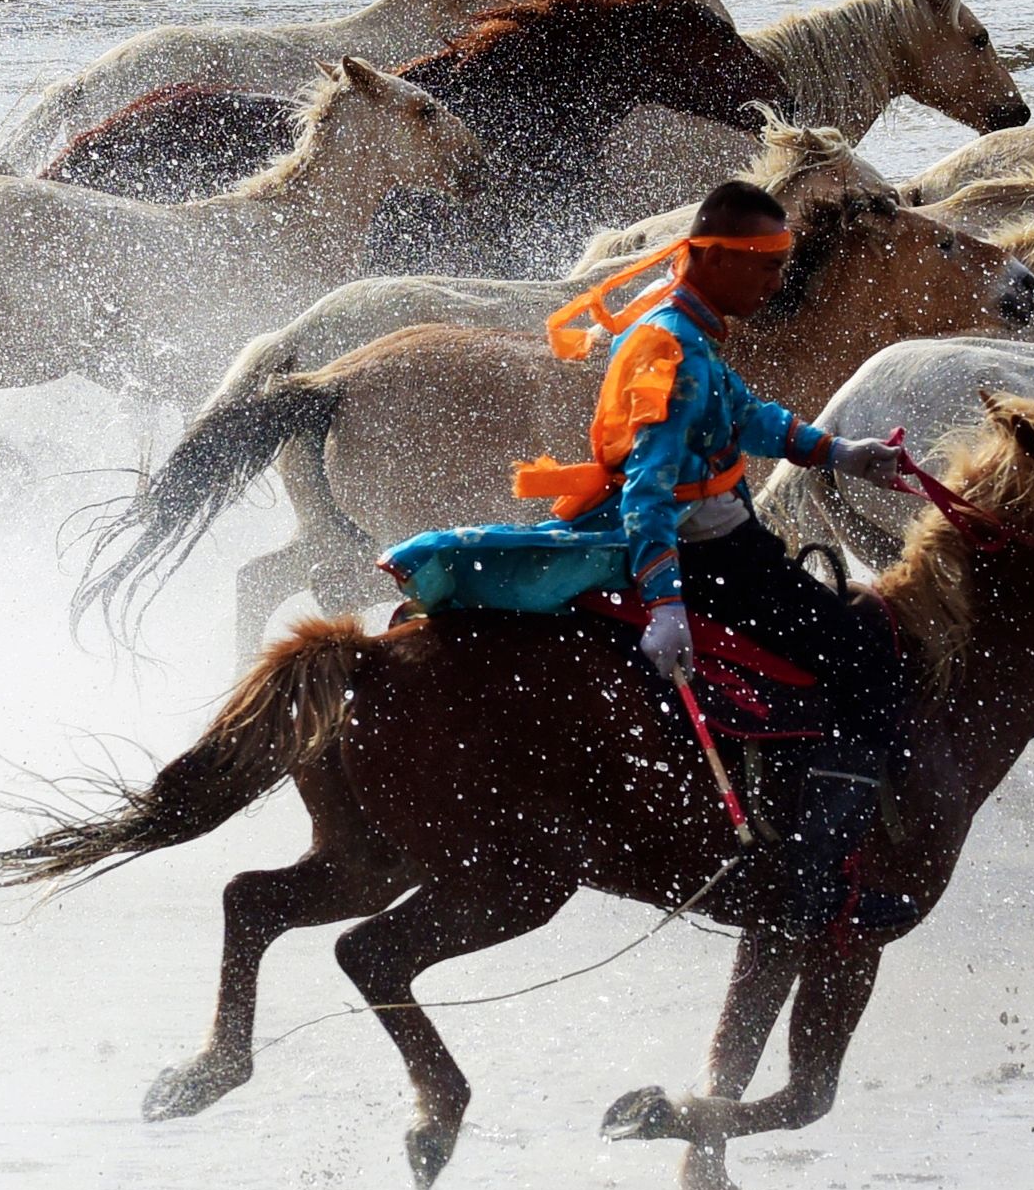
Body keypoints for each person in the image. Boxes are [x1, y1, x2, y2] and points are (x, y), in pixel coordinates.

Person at [382, 177, 918, 930]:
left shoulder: (686, 333)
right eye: (767, 266)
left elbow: (745, 416)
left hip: (726, 538)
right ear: (715, 259)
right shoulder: (670, 356)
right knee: (864, 657)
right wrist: (666, 606)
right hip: (710, 558)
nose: (777, 282)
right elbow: (648, 497)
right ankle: (816, 885)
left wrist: (839, 452)